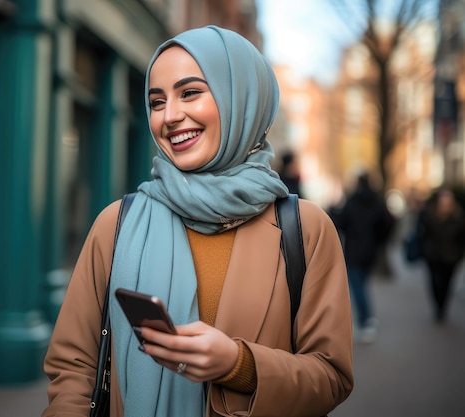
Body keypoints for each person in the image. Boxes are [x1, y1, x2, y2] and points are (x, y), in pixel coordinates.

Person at [42, 26, 353, 417]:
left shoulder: (304, 229)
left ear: (241, 99)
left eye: (190, 92)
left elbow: (331, 376)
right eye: (157, 101)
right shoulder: (117, 223)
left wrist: (239, 365)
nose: (170, 116)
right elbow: (73, 367)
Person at [331, 171, 393, 343]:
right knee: (363, 284)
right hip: (371, 251)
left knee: (357, 287)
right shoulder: (377, 201)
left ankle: (367, 320)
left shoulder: (352, 201)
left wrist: (332, 209)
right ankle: (368, 319)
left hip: (354, 251)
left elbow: (340, 222)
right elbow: (388, 222)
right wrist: (379, 240)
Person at [418, 188, 465, 323]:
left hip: (451, 257)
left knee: (447, 283)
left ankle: (442, 308)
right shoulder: (429, 214)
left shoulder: (458, 217)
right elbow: (423, 233)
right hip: (433, 255)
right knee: (434, 282)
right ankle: (437, 306)